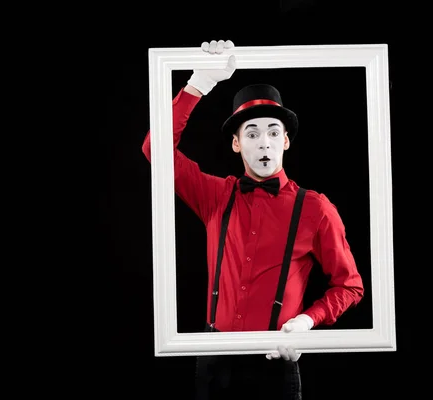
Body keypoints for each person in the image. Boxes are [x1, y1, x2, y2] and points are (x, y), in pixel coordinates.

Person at [142, 39, 364, 400]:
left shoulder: (316, 208)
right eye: (253, 133)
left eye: (273, 133)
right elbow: (155, 149)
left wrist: (308, 321)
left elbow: (350, 286)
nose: (264, 143)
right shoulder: (215, 195)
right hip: (213, 362)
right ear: (236, 144)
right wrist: (199, 83)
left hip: (275, 364)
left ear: (286, 142)